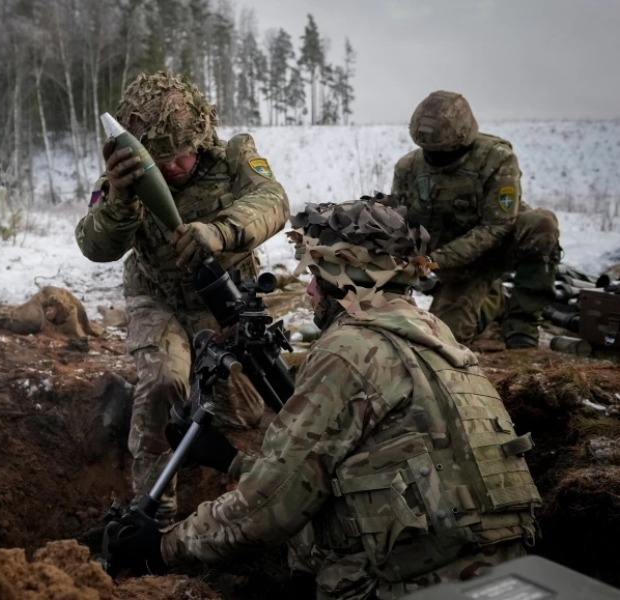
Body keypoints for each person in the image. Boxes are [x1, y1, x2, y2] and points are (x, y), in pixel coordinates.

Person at [105, 199, 541, 600]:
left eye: (316, 276)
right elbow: (370, 472)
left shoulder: (349, 351)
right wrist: (231, 462)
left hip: (418, 585)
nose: (309, 291)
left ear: (345, 281)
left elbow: (269, 510)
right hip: (504, 574)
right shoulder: (436, 336)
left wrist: (163, 547)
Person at [75, 70, 289, 524]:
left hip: (225, 302)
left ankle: (272, 494)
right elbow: (95, 247)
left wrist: (219, 232)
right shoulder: (123, 180)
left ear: (201, 135)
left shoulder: (234, 156)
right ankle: (156, 514)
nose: (172, 167)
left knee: (251, 412)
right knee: (164, 383)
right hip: (158, 299)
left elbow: (272, 201)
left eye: (181, 155)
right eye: (161, 159)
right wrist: (119, 201)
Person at [390, 90, 561, 349]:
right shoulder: (408, 168)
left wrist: (435, 261)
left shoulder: (497, 159)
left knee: (541, 224)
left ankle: (522, 321)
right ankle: (493, 303)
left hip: (496, 247)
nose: (434, 159)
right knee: (443, 339)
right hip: (457, 265)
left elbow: (496, 226)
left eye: (442, 152)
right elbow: (402, 224)